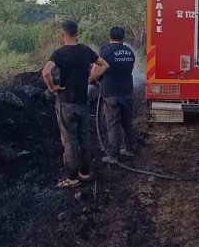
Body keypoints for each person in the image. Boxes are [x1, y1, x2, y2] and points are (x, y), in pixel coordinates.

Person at [42, 19, 108, 186]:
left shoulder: (59, 53)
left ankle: (71, 178)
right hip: (83, 103)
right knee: (85, 138)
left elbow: (46, 72)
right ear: (77, 33)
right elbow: (104, 64)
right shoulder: (86, 50)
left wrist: (52, 87)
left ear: (62, 34)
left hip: (65, 103)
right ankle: (85, 173)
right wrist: (92, 78)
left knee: (70, 141)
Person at [92, 26, 136, 161]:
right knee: (127, 122)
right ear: (123, 38)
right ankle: (129, 149)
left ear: (109, 37)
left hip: (111, 93)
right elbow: (130, 68)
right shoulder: (129, 52)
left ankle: (113, 154)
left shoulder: (105, 52)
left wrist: (93, 79)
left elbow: (95, 71)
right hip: (127, 92)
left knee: (113, 123)